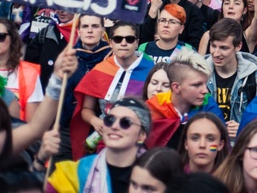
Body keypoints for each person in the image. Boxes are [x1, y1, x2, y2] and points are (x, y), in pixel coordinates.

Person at [73, 21, 156, 159]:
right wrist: (95, 121)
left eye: (129, 39)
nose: (123, 43)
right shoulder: (100, 69)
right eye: (118, 39)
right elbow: (86, 109)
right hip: (104, 138)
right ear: (111, 43)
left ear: (137, 43)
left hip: (137, 142)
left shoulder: (151, 70)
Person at [47, 97, 153, 193]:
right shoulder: (73, 173)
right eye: (110, 120)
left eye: (126, 122)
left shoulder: (155, 176)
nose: (114, 126)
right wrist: (39, 160)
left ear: (142, 135)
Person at [145, 51, 224, 150]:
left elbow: (220, 149)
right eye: (197, 85)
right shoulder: (153, 107)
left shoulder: (208, 104)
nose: (205, 91)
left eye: (205, 84)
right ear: (176, 87)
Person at [205, 19, 257, 140]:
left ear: (238, 46)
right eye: (213, 46)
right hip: (208, 144)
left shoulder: (255, 77)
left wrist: (244, 129)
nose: (216, 53)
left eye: (223, 48)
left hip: (240, 146)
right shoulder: (199, 74)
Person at [0, 18, 43, 121]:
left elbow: (31, 122)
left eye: (0, 36)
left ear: (12, 38)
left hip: (15, 133)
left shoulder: (29, 73)